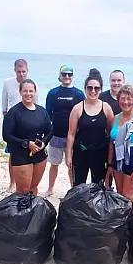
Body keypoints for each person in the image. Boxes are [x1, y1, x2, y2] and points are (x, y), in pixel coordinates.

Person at [2, 79, 52, 196]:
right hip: (21, 155)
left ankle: (32, 212)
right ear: (20, 92)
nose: (28, 94)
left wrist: (44, 142)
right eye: (25, 91)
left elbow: (50, 131)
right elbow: (6, 136)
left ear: (35, 92)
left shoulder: (42, 111)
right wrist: (27, 143)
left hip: (39, 154)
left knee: (33, 187)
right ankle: (20, 213)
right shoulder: (14, 112)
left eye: (31, 91)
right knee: (23, 190)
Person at [65, 69, 114, 186]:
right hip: (81, 151)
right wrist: (68, 156)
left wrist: (111, 159)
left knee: (99, 187)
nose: (93, 91)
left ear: (100, 89)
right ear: (85, 89)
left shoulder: (106, 108)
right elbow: (71, 134)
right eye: (90, 88)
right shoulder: (77, 108)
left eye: (96, 88)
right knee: (78, 185)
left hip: (100, 153)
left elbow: (110, 134)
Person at [44, 65, 85, 196]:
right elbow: (47, 114)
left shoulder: (78, 94)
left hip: (73, 136)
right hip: (56, 134)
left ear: (72, 76)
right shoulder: (53, 93)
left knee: (71, 165)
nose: (67, 77)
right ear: (60, 76)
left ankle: (73, 189)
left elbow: (84, 114)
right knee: (54, 164)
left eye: (69, 74)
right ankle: (50, 189)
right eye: (64, 74)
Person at [2, 59, 37, 192]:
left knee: (30, 152)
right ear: (15, 70)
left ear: (27, 71)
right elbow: (4, 102)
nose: (21, 74)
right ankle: (12, 182)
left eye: (23, 71)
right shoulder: (8, 83)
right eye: (19, 71)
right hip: (13, 123)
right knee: (13, 154)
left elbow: (36, 105)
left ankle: (28, 181)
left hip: (28, 123)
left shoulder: (32, 85)